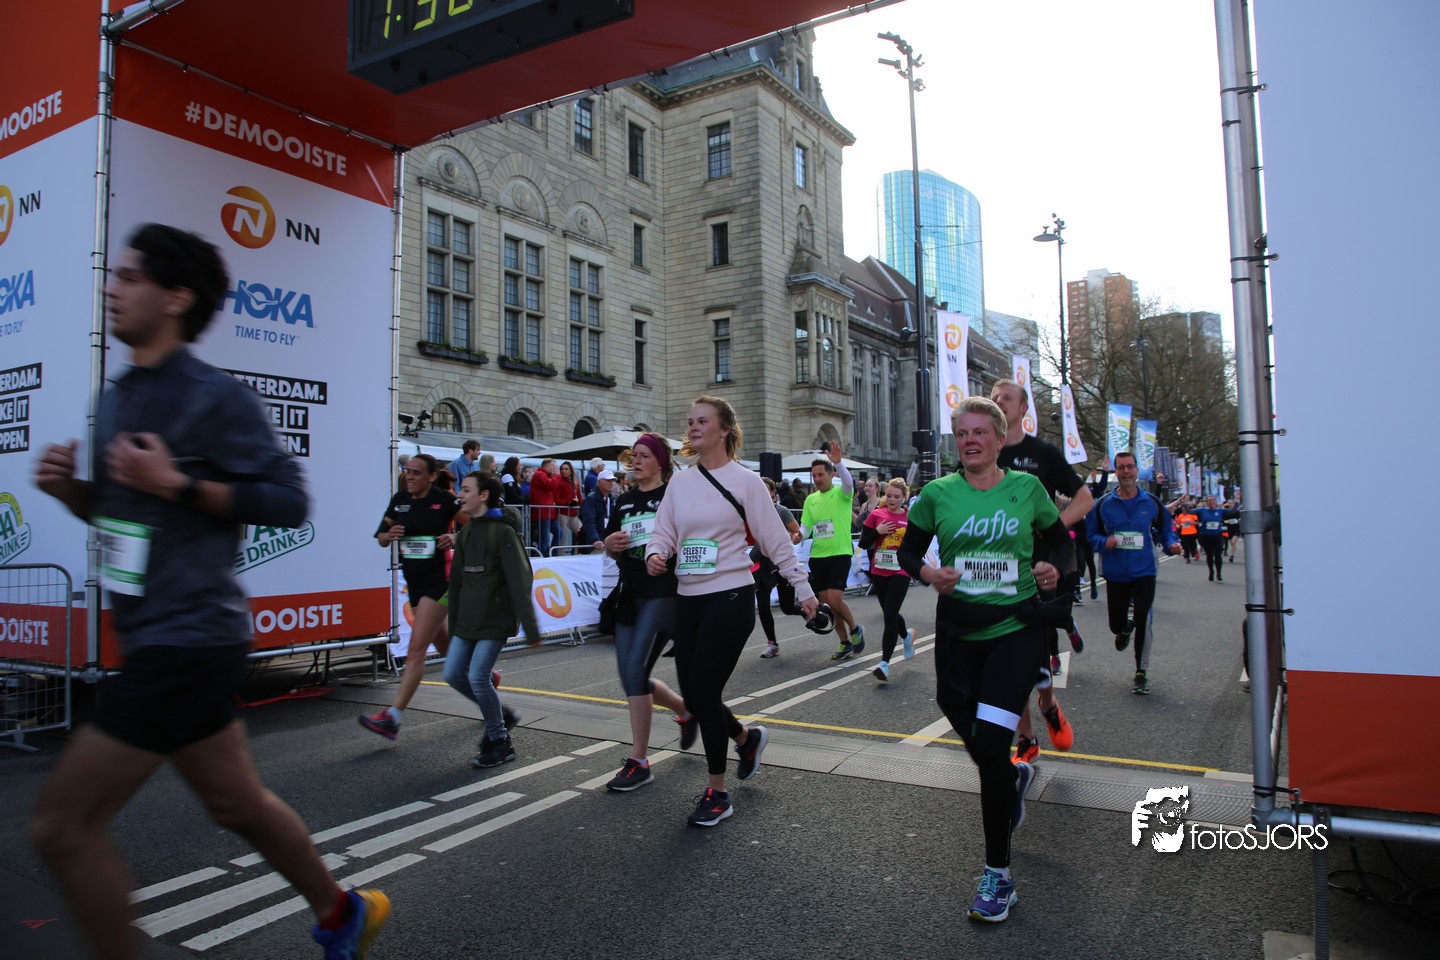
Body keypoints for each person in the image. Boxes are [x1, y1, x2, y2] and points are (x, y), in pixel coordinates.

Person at [29, 224, 388, 959]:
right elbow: (128, 518)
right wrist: (72, 493)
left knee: (61, 828)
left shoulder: (213, 396)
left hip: (186, 639)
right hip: (159, 636)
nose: (112, 287)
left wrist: (179, 483)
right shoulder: (119, 396)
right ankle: (341, 911)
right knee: (236, 803)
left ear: (175, 297)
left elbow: (288, 502)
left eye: (129, 277)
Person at [896, 396, 1072, 923]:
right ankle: (1008, 779)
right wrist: (929, 574)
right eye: (962, 433)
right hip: (958, 633)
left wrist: (1052, 569)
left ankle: (999, 876)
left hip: (1015, 630)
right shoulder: (937, 494)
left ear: (998, 439)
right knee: (967, 725)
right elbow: (908, 551)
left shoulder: (1027, 488)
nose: (970, 440)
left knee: (993, 744)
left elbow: (1061, 543)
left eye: (979, 432)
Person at [645, 396, 819, 826]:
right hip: (688, 598)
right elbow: (664, 531)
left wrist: (803, 589)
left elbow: (776, 540)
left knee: (704, 691)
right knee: (694, 692)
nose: (693, 427)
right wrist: (656, 553)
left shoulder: (746, 482)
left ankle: (718, 792)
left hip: (731, 595)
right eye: (690, 421)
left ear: (725, 430)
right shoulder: (680, 483)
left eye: (702, 421)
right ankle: (745, 738)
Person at [989, 379, 1088, 764]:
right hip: (996, 570)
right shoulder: (982, 454)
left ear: (1023, 409)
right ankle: (1027, 738)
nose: (999, 401)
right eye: (994, 398)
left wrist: (1054, 527)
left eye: (1006, 398)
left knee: (1036, 654)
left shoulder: (1042, 453)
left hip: (1040, 568)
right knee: (1006, 659)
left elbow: (1084, 498)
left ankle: (1047, 703)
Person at [598, 434, 696, 790]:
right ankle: (685, 711)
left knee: (635, 670)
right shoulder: (624, 500)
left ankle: (639, 761)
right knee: (630, 676)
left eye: (643, 456)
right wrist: (610, 545)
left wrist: (667, 554)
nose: (635, 461)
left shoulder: (673, 495)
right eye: (634, 456)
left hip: (663, 592)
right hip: (630, 592)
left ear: (660, 462)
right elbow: (612, 544)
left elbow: (689, 536)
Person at [359, 452, 459, 741]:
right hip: (414, 580)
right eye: (408, 471)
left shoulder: (445, 499)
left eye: (416, 472)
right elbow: (380, 536)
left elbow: (477, 525)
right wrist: (388, 535)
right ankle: (484, 679)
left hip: (440, 580)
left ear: (431, 476)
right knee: (444, 645)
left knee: (416, 650)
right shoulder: (400, 499)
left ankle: (392, 717)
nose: (410, 476)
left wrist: (455, 537)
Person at [445, 472, 541, 768]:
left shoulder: (503, 533)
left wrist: (531, 628)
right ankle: (502, 715)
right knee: (453, 674)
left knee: (477, 676)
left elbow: (520, 580)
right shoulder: (467, 533)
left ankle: (500, 741)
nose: (460, 495)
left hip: (495, 620)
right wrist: (454, 625)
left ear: (484, 495)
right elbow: (456, 583)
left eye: (466, 489)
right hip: (468, 621)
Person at [1087, 450, 1182, 695]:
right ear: (1116, 472)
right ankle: (1124, 628)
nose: (1126, 471)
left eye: (1130, 466)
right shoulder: (1103, 505)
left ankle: (1141, 671)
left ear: (1137, 470)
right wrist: (1104, 542)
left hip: (1144, 571)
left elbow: (1166, 530)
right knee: (1115, 625)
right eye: (1121, 467)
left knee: (1144, 618)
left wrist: (1172, 544)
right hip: (1115, 573)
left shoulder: (1151, 502)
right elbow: (1090, 535)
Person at [801, 443, 863, 659]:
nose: (817, 479)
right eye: (814, 475)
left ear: (831, 475)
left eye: (821, 475)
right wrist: (798, 535)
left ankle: (855, 629)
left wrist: (838, 462)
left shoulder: (842, 494)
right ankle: (844, 642)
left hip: (840, 553)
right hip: (818, 556)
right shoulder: (810, 500)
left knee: (836, 599)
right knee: (828, 604)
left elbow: (848, 483)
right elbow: (806, 529)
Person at [858, 477, 917, 681]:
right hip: (879, 570)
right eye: (889, 495)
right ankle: (906, 636)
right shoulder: (876, 515)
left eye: (896, 497)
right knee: (890, 613)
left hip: (900, 571)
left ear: (904, 498)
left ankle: (884, 664)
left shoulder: (911, 518)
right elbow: (863, 543)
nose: (892, 500)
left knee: (889, 615)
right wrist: (878, 531)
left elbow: (916, 546)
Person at [756, 476, 803, 658]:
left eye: (765, 490)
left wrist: (792, 538)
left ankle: (811, 612)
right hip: (762, 564)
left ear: (773, 493)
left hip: (780, 561)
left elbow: (797, 531)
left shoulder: (781, 511)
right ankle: (772, 643)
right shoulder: (752, 512)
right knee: (763, 605)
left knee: (787, 607)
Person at [528, 458, 561, 555]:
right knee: (544, 538)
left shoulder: (545, 475)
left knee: (558, 533)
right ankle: (542, 556)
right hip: (542, 512)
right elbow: (550, 485)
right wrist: (557, 475)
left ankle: (552, 554)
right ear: (547, 466)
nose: (555, 468)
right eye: (553, 466)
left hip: (548, 512)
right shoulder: (539, 475)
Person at [579, 468, 617, 550]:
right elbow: (588, 521)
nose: (611, 483)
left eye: (612, 481)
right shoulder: (591, 499)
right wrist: (595, 540)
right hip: (595, 544)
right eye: (607, 480)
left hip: (607, 541)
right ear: (599, 482)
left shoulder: (612, 499)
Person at [1195, 494, 1227, 582]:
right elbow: (1189, 511)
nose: (1211, 502)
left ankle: (1219, 573)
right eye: (1209, 500)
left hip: (1217, 535)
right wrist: (1185, 503)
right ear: (1207, 502)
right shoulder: (1202, 510)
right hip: (1206, 536)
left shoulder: (1220, 511)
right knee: (1209, 555)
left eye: (1213, 500)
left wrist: (1237, 502)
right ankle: (1211, 571)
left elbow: (1233, 511)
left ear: (1216, 502)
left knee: (1218, 554)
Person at [555, 460, 583, 546]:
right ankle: (560, 554)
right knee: (563, 537)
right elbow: (556, 499)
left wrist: (580, 503)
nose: (564, 471)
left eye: (566, 469)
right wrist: (567, 503)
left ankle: (578, 551)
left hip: (573, 513)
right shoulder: (559, 481)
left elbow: (579, 496)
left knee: (581, 533)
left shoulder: (575, 481)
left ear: (571, 470)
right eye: (562, 469)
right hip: (562, 513)